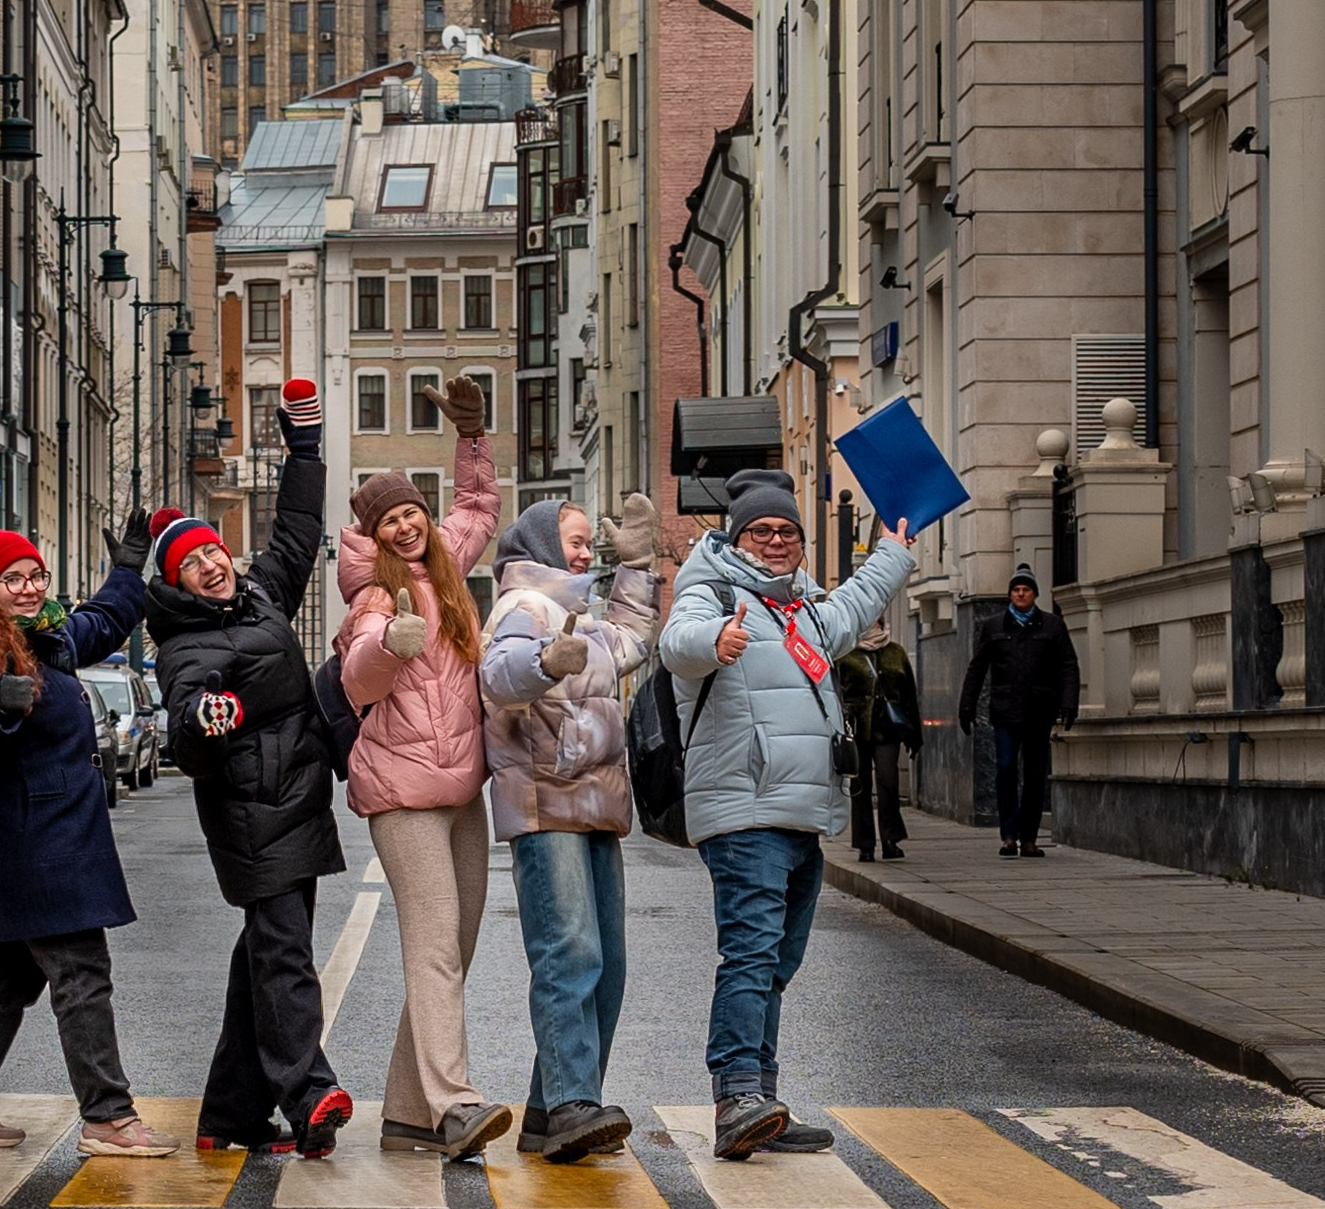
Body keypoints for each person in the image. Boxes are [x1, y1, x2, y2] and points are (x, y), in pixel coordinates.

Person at [661, 467, 914, 1160]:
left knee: (776, 960)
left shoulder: (800, 608)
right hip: (743, 808)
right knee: (749, 951)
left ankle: (761, 1098)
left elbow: (858, 601)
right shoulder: (711, 589)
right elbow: (675, 642)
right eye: (761, 530)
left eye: (787, 531)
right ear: (737, 537)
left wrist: (892, 548)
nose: (776, 540)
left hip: (800, 810)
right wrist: (714, 641)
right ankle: (736, 1095)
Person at [0, 521, 175, 1156]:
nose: (31, 588)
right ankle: (109, 1119)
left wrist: (128, 569)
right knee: (82, 973)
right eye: (15, 580)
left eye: (36, 575)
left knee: (6, 978)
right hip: (34, 843)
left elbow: (103, 621)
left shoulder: (44, 638)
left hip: (43, 838)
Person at [145, 380, 350, 1159]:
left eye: (211, 550)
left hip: (296, 800)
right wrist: (202, 718)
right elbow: (185, 719)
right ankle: (307, 1090)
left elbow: (297, 531)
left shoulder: (261, 597)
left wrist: (303, 451)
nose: (209, 564)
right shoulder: (183, 646)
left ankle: (229, 1115)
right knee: (284, 953)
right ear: (174, 581)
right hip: (252, 813)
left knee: (258, 960)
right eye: (190, 561)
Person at [336, 375, 505, 1163]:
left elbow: (476, 510)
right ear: (372, 533)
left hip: (461, 784)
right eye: (389, 519)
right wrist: (388, 645)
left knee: (459, 943)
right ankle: (453, 1102)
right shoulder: (374, 592)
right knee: (432, 944)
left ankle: (406, 1109)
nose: (404, 526)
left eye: (409, 511)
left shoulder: (445, 562)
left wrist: (471, 436)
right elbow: (356, 677)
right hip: (402, 791)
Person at [479, 489, 659, 1163]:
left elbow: (634, 640)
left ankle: (548, 1107)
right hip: (545, 798)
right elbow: (498, 676)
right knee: (569, 952)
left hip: (597, 801)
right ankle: (572, 1103)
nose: (585, 551)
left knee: (603, 964)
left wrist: (638, 566)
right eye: (575, 541)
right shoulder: (521, 604)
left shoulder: (578, 610)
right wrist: (543, 664)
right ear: (542, 547)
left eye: (589, 542)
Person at [957, 562, 1081, 856]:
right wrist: (967, 705)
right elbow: (977, 668)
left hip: (1039, 711)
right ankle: (1008, 834)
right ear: (1010, 595)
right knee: (1005, 768)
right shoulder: (994, 626)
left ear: (1034, 595)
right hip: (1005, 710)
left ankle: (1029, 838)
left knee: (1035, 775)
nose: (1021, 594)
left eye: (1026, 590)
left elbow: (1068, 666)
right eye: (1016, 590)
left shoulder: (1052, 626)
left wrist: (1068, 703)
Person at [839, 607, 922, 862]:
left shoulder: (895, 652)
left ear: (880, 621)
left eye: (874, 617)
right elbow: (836, 692)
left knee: (888, 782)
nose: (870, 622)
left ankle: (890, 839)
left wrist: (914, 735)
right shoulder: (846, 653)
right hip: (856, 729)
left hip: (888, 729)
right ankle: (865, 844)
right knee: (860, 786)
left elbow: (909, 694)